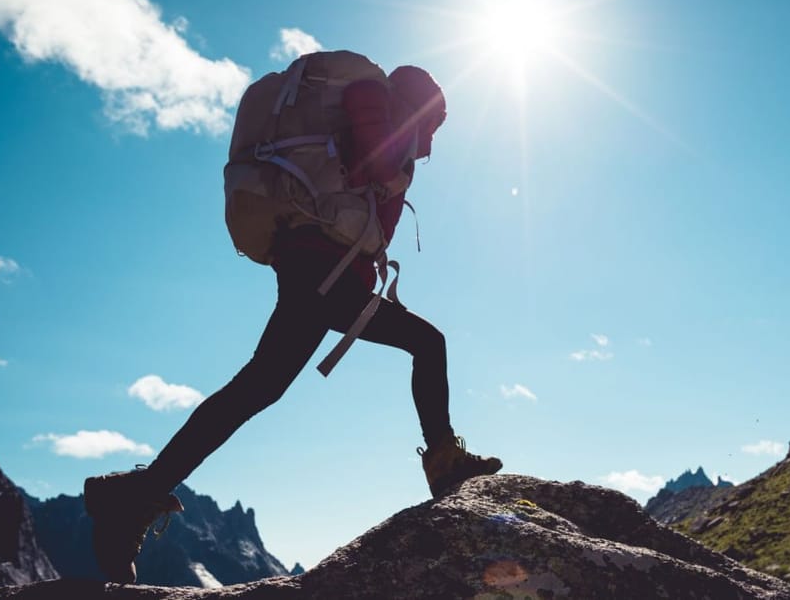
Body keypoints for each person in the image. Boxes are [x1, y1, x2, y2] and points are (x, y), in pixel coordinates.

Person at [83, 62, 502, 584]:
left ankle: (130, 499)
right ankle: (444, 466)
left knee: (258, 388)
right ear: (422, 105)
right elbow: (369, 161)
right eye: (435, 123)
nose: (433, 139)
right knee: (424, 343)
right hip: (321, 273)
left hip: (317, 271)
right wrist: (399, 156)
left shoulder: (375, 112)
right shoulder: (380, 109)